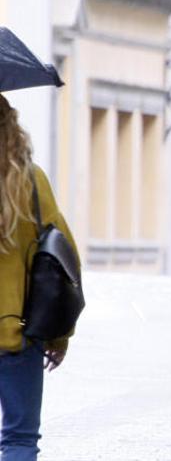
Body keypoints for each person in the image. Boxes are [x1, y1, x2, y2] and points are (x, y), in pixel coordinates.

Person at [0, 94, 78, 460]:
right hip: (16, 332)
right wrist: (60, 334)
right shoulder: (32, 181)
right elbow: (61, 257)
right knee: (20, 439)